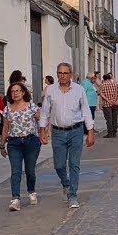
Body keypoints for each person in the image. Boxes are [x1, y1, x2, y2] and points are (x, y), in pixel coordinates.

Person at [38, 62, 95, 209]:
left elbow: (86, 111)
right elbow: (44, 112)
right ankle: (65, 182)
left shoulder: (79, 90)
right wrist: (42, 131)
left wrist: (90, 131)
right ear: (57, 74)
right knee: (59, 165)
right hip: (57, 132)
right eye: (59, 73)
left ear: (70, 74)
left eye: (65, 73)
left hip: (75, 131)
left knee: (74, 164)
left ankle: (73, 195)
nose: (62, 76)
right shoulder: (51, 91)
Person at [0, 81, 42, 211]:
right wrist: (2, 145)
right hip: (14, 143)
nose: (15, 93)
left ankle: (31, 191)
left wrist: (44, 133)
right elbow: (5, 128)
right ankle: (15, 199)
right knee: (16, 171)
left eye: (17, 91)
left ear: (23, 92)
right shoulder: (7, 110)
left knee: (30, 170)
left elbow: (42, 120)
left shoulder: (32, 107)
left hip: (31, 142)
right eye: (12, 91)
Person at [97, 72, 118, 137]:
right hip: (115, 103)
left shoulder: (102, 85)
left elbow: (100, 93)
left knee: (109, 119)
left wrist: (107, 100)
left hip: (106, 104)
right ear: (110, 78)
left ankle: (110, 133)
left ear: (104, 79)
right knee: (114, 118)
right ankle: (114, 132)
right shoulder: (115, 84)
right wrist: (117, 101)